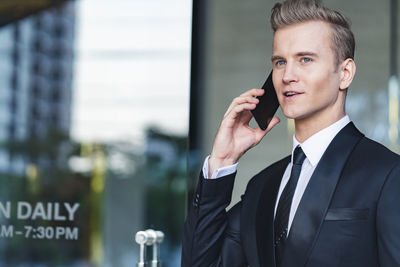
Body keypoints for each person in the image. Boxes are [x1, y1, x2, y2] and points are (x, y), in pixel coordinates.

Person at [181, 0, 400, 266]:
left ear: (344, 73)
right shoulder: (262, 187)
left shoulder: (387, 174)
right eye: (280, 62)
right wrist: (222, 161)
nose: (288, 75)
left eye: (305, 59)